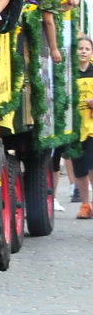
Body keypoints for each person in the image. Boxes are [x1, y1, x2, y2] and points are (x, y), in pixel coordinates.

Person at [73, 36, 93, 220]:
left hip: (91, 127)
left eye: (87, 49)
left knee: (92, 164)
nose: (83, 52)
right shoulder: (70, 73)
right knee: (79, 168)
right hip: (75, 128)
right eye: (80, 48)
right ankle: (85, 205)